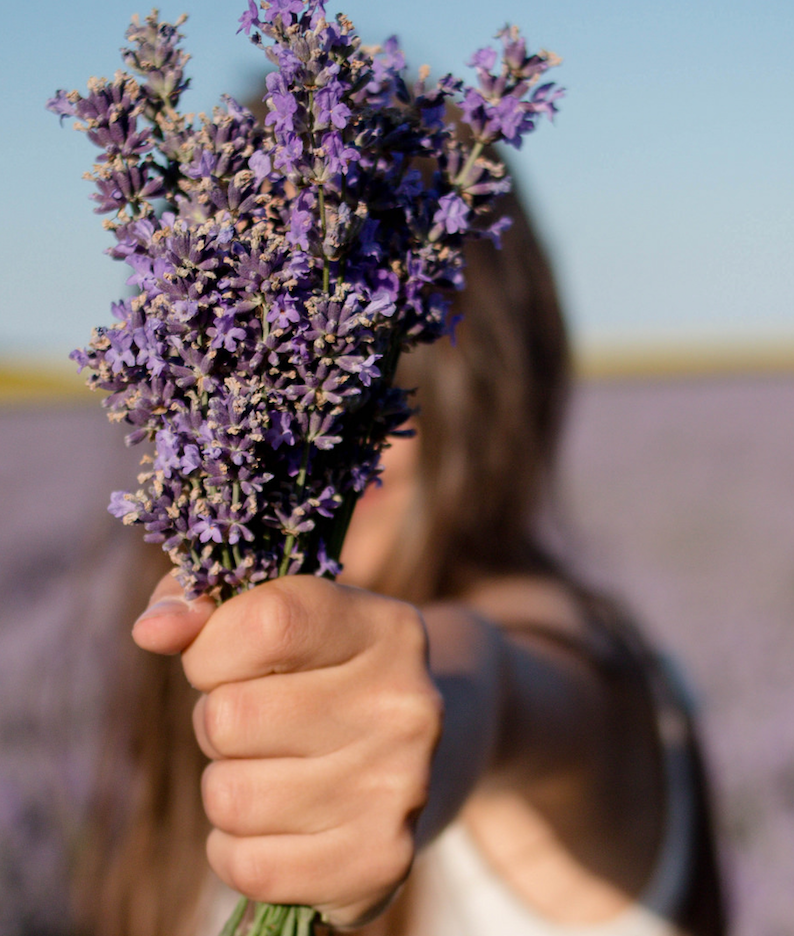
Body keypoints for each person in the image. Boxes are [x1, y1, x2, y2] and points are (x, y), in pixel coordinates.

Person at [70, 177, 727, 936]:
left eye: (374, 376)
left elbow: (498, 680)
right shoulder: (176, 707)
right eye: (267, 378)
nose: (334, 425)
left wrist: (436, 712)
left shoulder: (586, 676)